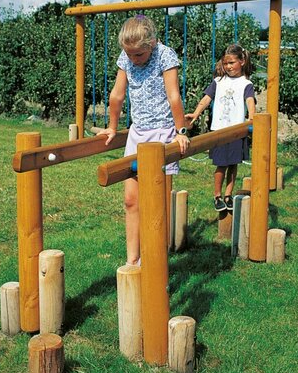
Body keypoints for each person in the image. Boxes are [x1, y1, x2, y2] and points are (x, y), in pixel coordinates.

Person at [97, 15, 190, 266]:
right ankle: (132, 259)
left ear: (153, 43)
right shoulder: (126, 59)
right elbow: (117, 95)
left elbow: (173, 96)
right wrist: (112, 127)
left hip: (163, 133)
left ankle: (156, 259)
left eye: (138, 55)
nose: (133, 60)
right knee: (130, 200)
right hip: (138, 133)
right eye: (129, 54)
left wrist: (180, 131)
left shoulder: (165, 55)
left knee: (158, 203)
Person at [185, 44, 255, 213]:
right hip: (219, 130)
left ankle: (228, 195)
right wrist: (195, 114)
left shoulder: (246, 83)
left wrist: (252, 118)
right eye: (225, 63)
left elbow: (250, 101)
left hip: (236, 131)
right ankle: (217, 195)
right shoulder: (218, 82)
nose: (228, 67)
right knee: (221, 165)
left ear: (242, 61)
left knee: (233, 164)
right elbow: (206, 99)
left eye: (232, 63)